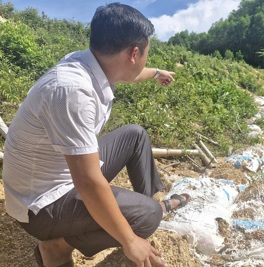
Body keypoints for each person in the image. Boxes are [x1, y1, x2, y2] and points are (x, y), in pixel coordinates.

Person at [2, 3, 190, 267]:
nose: (147, 60)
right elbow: (88, 183)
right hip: (39, 205)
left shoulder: (89, 63)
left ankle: (143, 206)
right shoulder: (72, 91)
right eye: (148, 53)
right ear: (134, 53)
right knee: (147, 217)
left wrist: (156, 73)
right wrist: (130, 240)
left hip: (55, 175)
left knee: (134, 135)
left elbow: (131, 73)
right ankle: (56, 246)